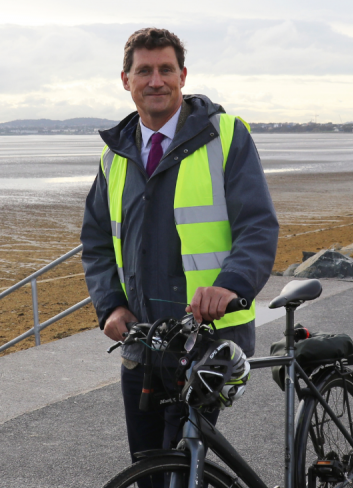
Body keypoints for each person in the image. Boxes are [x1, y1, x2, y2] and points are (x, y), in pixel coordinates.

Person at [81, 27, 279, 463]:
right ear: (125, 80)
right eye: (144, 71)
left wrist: (230, 283)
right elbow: (95, 241)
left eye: (166, 69)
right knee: (150, 473)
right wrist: (110, 305)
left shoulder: (225, 136)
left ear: (183, 75)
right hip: (141, 343)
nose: (156, 81)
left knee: (181, 476)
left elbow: (258, 227)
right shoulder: (114, 155)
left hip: (206, 338)